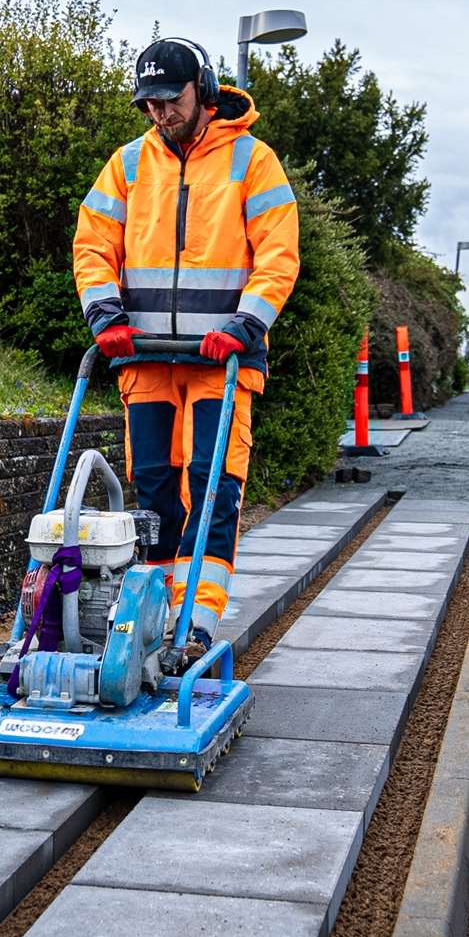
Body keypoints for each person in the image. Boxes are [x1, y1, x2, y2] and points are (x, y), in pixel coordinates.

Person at [73, 37, 301, 655]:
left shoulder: (252, 162)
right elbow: (93, 245)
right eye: (149, 103)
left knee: (211, 485)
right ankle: (151, 614)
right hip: (144, 356)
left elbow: (278, 259)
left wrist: (244, 326)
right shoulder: (126, 165)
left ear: (203, 88)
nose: (159, 114)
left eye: (170, 100)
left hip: (220, 361)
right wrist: (105, 314)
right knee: (152, 489)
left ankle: (196, 619)